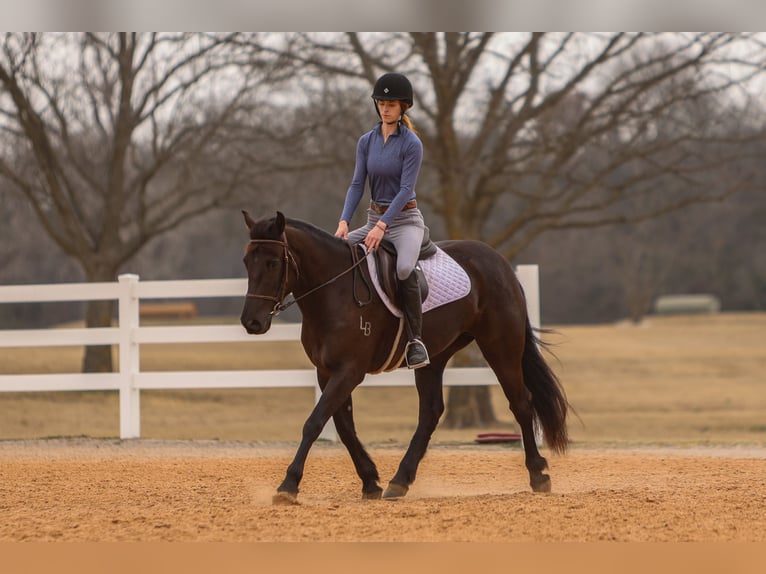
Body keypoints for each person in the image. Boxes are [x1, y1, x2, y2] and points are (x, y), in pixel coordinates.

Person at [334, 72, 430, 369]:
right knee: (334, 252)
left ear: (403, 107)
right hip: (373, 217)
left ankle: (415, 341)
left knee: (403, 269)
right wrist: (343, 222)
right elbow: (356, 185)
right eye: (381, 103)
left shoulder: (412, 144)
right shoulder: (366, 141)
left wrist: (382, 226)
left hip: (405, 222)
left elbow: (405, 191)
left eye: (391, 104)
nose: (385, 108)